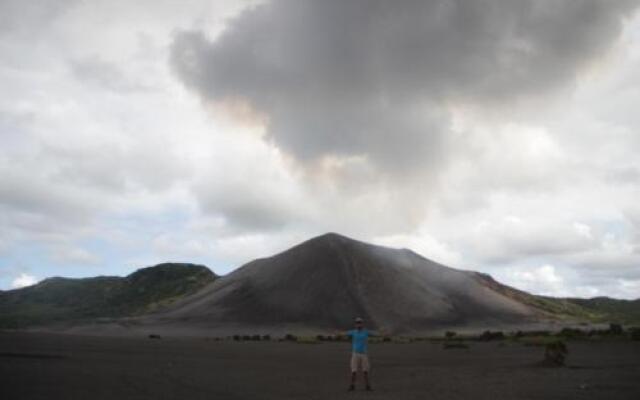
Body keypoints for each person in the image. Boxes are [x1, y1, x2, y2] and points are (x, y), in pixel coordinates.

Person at [345, 317, 373, 391]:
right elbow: (344, 333)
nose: (358, 324)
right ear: (355, 324)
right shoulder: (353, 332)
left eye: (360, 322)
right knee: (353, 370)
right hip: (355, 354)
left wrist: (384, 333)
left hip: (364, 354)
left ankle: (367, 386)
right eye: (357, 323)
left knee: (365, 371)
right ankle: (352, 385)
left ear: (362, 324)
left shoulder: (366, 332)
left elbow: (376, 334)